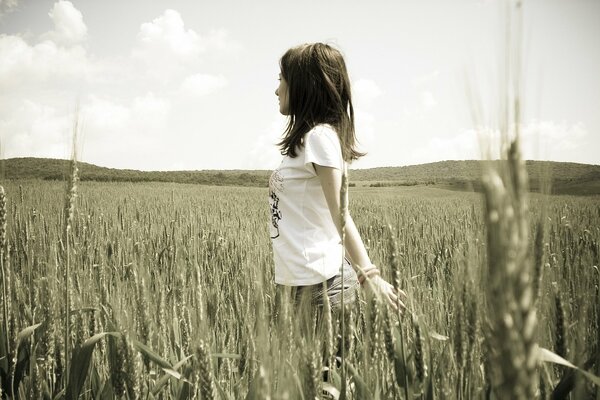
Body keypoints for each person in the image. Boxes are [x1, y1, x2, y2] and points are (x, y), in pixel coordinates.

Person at [269, 42, 405, 314]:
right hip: (296, 283)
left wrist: (369, 275)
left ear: (303, 85)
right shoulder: (307, 142)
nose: (276, 89)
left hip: (320, 287)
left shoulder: (319, 138)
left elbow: (341, 213)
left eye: (281, 79)